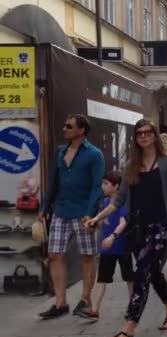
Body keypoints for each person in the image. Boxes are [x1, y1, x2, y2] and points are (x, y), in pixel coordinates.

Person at [86, 119, 167, 337]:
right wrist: (96, 218)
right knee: (153, 273)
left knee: (141, 272)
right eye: (139, 133)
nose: (143, 136)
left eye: (147, 132)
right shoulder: (130, 165)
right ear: (135, 138)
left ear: (154, 135)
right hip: (138, 229)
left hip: (161, 227)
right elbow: (117, 201)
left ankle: (128, 329)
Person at [39, 114, 105, 320]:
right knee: (54, 255)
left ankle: (85, 300)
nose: (64, 129)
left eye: (69, 126)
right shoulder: (61, 152)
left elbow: (97, 186)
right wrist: (45, 206)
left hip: (84, 213)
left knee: (87, 256)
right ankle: (60, 303)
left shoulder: (94, 154)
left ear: (81, 130)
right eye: (65, 126)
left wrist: (91, 213)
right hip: (61, 211)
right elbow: (53, 181)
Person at [79, 171, 134, 321]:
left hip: (123, 247)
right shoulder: (103, 203)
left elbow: (123, 223)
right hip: (107, 249)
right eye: (102, 183)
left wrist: (112, 236)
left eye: (106, 184)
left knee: (129, 278)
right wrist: (92, 224)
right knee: (102, 279)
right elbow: (102, 223)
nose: (102, 186)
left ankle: (133, 307)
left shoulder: (120, 203)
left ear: (116, 187)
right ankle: (94, 310)